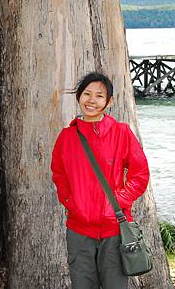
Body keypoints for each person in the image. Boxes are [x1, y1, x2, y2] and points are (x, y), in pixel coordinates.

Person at [50, 72, 150, 289]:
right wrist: (71, 201)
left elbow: (140, 174)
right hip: (78, 230)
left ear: (109, 101)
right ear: (79, 97)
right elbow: (59, 174)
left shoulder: (121, 133)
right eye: (86, 94)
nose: (91, 101)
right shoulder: (67, 137)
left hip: (115, 229)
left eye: (99, 96)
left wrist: (120, 199)